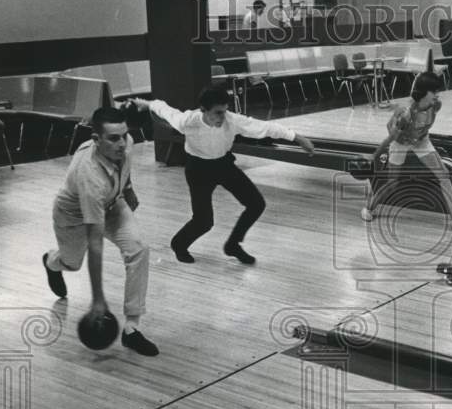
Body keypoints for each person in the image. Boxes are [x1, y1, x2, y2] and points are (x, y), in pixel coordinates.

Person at [132, 86, 315, 265]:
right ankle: (179, 244)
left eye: (225, 111)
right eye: (218, 112)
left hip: (223, 165)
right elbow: (164, 110)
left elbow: (263, 127)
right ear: (203, 110)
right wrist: (147, 104)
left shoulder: (231, 120)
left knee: (256, 204)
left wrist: (297, 138)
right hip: (198, 170)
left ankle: (233, 245)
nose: (223, 117)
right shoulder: (187, 120)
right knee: (203, 222)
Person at [41, 106, 158, 356]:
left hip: (112, 204)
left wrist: (127, 189)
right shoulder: (90, 176)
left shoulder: (127, 143)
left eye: (123, 136)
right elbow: (96, 244)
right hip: (72, 216)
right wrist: (98, 299)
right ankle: (52, 262)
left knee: (139, 248)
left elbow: (124, 168)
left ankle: (132, 329)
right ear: (96, 140)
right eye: (113, 138)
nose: (122, 144)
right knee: (72, 264)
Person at [362, 72, 452, 231]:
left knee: (443, 175)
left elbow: (424, 124)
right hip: (400, 143)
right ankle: (368, 208)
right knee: (392, 183)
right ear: (423, 92)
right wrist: (374, 156)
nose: (438, 95)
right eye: (434, 91)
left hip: (421, 141)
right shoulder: (405, 112)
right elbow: (390, 133)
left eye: (438, 91)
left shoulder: (436, 105)